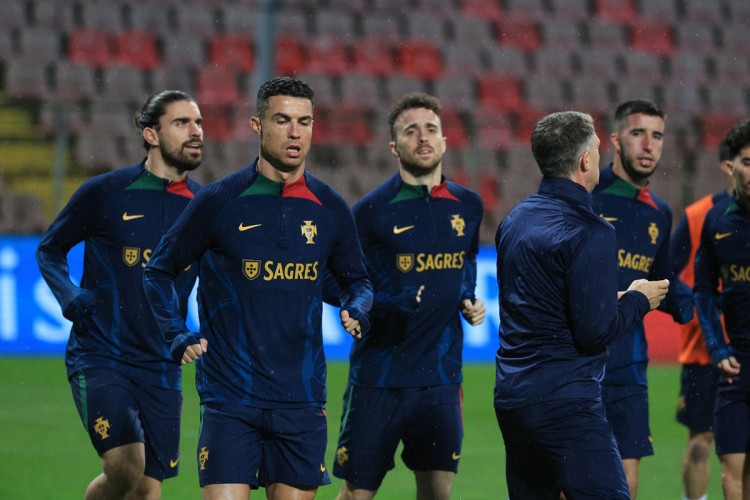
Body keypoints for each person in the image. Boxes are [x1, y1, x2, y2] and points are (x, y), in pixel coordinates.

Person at [142, 76, 373, 499]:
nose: (295, 132)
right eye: (282, 120)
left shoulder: (330, 207)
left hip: (301, 399)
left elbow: (357, 281)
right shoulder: (218, 201)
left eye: (304, 122)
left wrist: (356, 306)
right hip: (230, 397)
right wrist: (174, 332)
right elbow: (158, 271)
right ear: (257, 125)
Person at [36, 90, 204, 499]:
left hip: (162, 365)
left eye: (198, 122)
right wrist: (68, 293)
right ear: (151, 134)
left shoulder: (204, 208)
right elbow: (50, 248)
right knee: (126, 464)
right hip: (102, 354)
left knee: (146, 489)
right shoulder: (106, 192)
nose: (196, 131)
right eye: (182, 123)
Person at [494, 110, 669, 499]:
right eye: (597, 147)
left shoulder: (514, 219)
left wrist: (609, 299)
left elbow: (538, 300)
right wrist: (639, 300)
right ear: (586, 160)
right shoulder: (591, 230)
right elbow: (594, 333)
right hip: (565, 402)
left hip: (513, 397)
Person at [329, 93, 485, 500]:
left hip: (440, 380)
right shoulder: (370, 212)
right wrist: (387, 302)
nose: (423, 138)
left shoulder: (469, 206)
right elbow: (336, 282)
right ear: (394, 147)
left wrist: (467, 295)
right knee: (356, 493)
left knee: (437, 493)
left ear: (444, 140)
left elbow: (467, 259)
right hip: (378, 378)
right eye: (410, 131)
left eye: (431, 129)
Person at [591, 99, 693, 498]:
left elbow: (660, 277)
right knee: (573, 477)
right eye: (638, 134)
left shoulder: (659, 212)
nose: (649, 145)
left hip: (629, 362)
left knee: (626, 479)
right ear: (616, 141)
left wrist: (691, 302)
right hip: (582, 358)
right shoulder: (588, 194)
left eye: (657, 136)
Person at [671, 136, 736, 500]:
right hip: (703, 352)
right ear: (729, 166)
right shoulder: (698, 216)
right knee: (700, 443)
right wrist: (698, 305)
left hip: (745, 346)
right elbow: (666, 269)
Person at [694, 118, 750, 500]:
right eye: (747, 162)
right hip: (737, 366)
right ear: (731, 166)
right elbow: (703, 290)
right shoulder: (716, 222)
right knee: (732, 474)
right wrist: (716, 347)